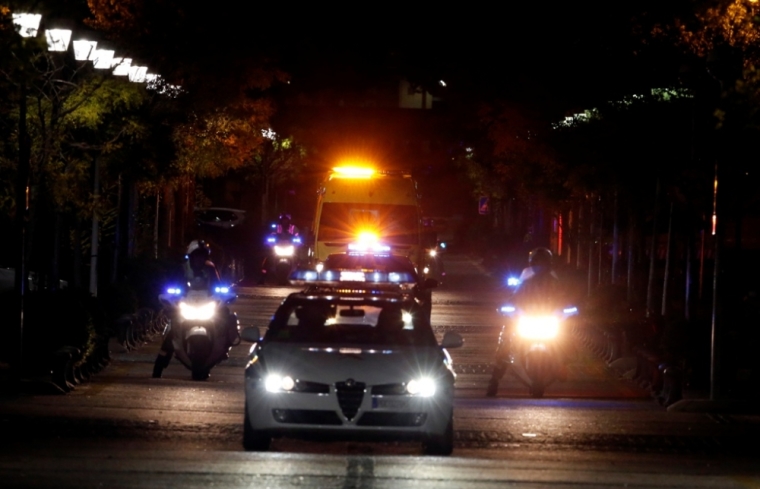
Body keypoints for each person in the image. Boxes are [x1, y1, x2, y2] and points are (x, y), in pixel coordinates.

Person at [152, 240, 239, 378]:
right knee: (172, 330)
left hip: (207, 304)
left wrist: (223, 294)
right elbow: (173, 285)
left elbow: (219, 285)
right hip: (187, 303)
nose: (199, 259)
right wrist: (172, 295)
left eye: (202, 256)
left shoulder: (211, 268)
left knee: (226, 317)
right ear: (191, 256)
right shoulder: (181, 269)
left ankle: (226, 345)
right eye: (196, 256)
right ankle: (158, 367)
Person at [486, 247, 564, 397]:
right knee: (506, 343)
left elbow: (564, 298)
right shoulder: (525, 276)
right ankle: (494, 380)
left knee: (566, 339)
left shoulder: (555, 279)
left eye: (543, 262)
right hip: (525, 318)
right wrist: (507, 308)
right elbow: (514, 296)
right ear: (532, 262)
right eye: (537, 262)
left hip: (547, 319)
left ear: (549, 263)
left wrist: (568, 309)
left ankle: (562, 365)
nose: (540, 265)